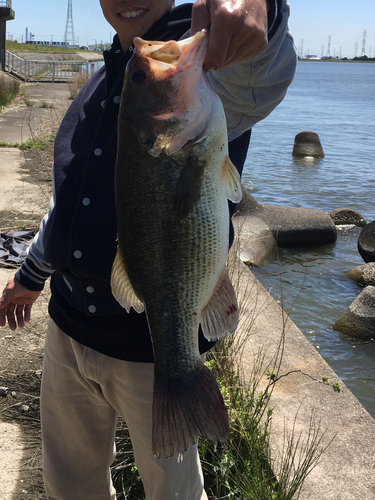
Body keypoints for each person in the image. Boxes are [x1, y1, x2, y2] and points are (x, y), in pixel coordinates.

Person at [0, 1, 297, 499]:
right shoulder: (97, 86)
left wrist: (264, 6)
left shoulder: (208, 71)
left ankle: (182, 379)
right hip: (69, 329)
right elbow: (67, 198)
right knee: (68, 485)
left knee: (173, 493)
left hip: (150, 354)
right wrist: (31, 274)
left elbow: (261, 70)